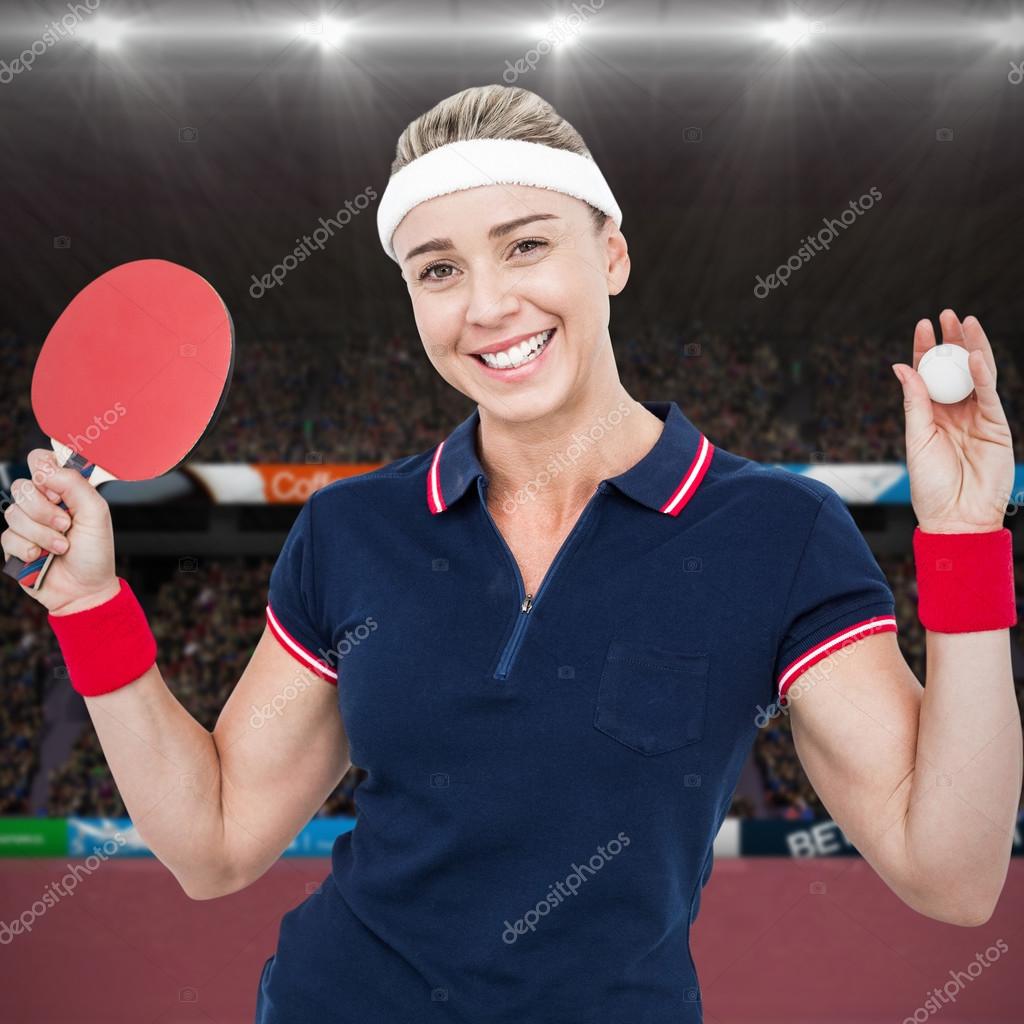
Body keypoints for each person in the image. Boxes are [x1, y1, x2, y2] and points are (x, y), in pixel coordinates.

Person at [3, 84, 1019, 1024]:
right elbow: (214, 844)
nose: (484, 304)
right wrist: (90, 605)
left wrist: (965, 540)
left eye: (525, 246)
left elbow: (955, 873)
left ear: (611, 254)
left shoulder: (778, 533)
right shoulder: (349, 531)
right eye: (438, 269)